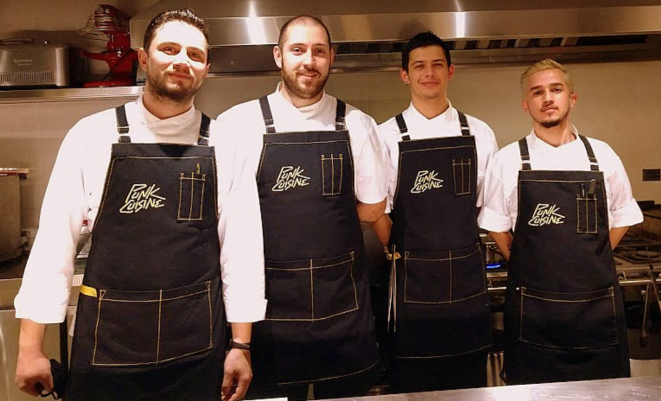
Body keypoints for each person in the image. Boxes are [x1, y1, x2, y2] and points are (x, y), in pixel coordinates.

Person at [14, 9, 266, 401]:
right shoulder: (91, 135)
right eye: (169, 49)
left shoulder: (225, 143)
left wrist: (241, 345)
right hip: (107, 350)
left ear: (205, 68)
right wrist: (30, 349)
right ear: (145, 59)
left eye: (195, 55)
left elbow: (242, 254)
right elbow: (53, 248)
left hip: (197, 350)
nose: (183, 60)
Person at [214, 15, 387, 400]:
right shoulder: (237, 125)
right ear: (278, 56)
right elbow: (225, 222)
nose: (308, 60)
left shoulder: (357, 125)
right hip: (268, 317)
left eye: (319, 51)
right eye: (297, 50)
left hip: (343, 312)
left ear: (331, 58)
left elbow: (374, 208)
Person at [478, 59, 643, 384]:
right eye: (538, 92)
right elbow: (496, 225)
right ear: (527, 105)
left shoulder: (602, 156)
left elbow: (623, 215)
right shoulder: (508, 160)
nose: (548, 98)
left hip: (596, 312)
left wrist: (590, 259)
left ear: (572, 97)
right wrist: (528, 261)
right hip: (533, 315)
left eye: (556, 89)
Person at [376, 31, 498, 392]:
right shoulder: (386, 135)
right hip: (410, 284)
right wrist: (398, 251)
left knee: (470, 385)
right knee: (411, 386)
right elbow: (377, 210)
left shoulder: (479, 132)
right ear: (405, 75)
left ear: (450, 71)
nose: (428, 73)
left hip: (467, 280)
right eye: (419, 66)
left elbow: (486, 205)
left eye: (436, 65)